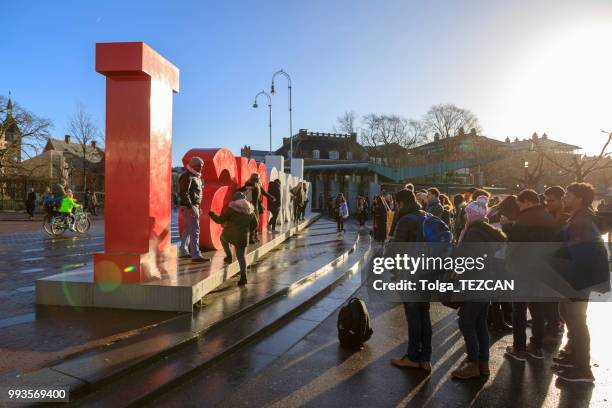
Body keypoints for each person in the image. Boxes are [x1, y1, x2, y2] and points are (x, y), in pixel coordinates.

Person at [553, 182, 608, 383]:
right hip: (578, 279)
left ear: (579, 199)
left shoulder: (582, 221)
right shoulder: (579, 217)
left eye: (568, 194)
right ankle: (574, 359)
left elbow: (581, 256)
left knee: (577, 322)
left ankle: (583, 369)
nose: (564, 198)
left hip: (578, 280)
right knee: (569, 316)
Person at [452, 195, 507, 379]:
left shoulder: (473, 232)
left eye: (467, 214)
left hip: (475, 283)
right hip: (487, 282)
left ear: (473, 215)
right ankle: (483, 363)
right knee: (480, 323)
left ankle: (473, 363)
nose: (465, 217)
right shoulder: (488, 231)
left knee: (466, 322)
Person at [503, 189, 559, 362]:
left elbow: (514, 242)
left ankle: (518, 348)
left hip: (522, 269)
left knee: (519, 309)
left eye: (520, 203)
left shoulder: (525, 218)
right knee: (537, 309)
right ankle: (536, 346)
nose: (519, 207)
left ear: (527, 201)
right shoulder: (548, 216)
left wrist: (506, 226)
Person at [390, 189, 433, 372]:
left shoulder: (405, 220)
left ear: (400, 203)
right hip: (429, 274)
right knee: (425, 316)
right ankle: (426, 359)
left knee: (414, 317)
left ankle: (413, 357)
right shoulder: (427, 216)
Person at [209, 192, 258, 286]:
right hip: (243, 237)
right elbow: (255, 224)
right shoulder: (250, 209)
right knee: (241, 257)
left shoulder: (232, 208)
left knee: (222, 239)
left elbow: (220, 220)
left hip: (230, 234)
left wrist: (211, 214)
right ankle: (243, 278)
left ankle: (229, 256)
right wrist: (248, 230)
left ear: (235, 200)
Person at [178, 156, 206, 263]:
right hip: (190, 206)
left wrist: (198, 207)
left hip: (193, 206)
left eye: (202, 166)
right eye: (199, 165)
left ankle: (184, 251)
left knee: (188, 230)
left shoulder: (194, 176)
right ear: (193, 165)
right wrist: (191, 207)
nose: (201, 168)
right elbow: (184, 193)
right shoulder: (188, 176)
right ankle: (196, 255)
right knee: (195, 231)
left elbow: (196, 194)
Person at [239, 173, 276, 244]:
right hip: (254, 207)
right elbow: (265, 193)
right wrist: (272, 197)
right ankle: (251, 238)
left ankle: (253, 237)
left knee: (254, 223)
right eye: (258, 178)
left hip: (250, 206)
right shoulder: (256, 185)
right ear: (258, 178)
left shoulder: (252, 185)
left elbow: (264, 193)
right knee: (255, 223)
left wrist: (272, 197)